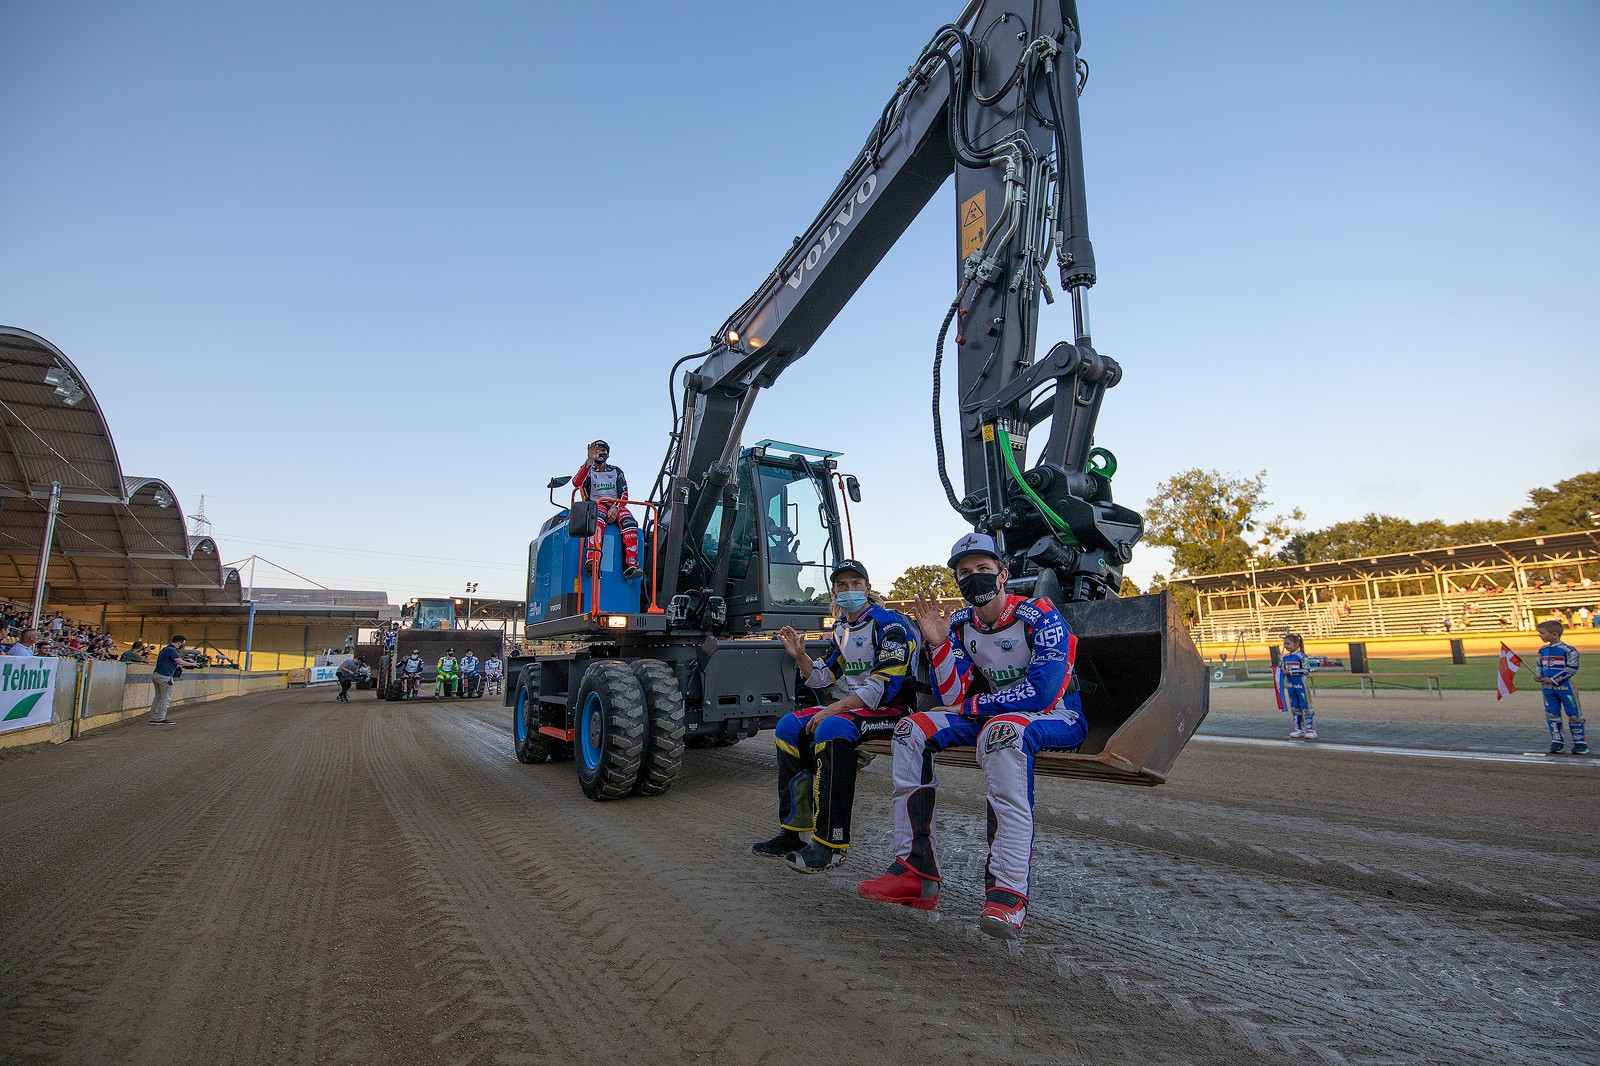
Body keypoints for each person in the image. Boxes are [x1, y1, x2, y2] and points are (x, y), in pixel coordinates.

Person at [858, 533, 1086, 941]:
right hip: (995, 715)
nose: (974, 578)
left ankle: (1007, 894)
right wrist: (941, 644)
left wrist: (971, 708)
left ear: (1004, 574)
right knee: (911, 728)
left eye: (983, 569)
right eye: (964, 573)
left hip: (1057, 716)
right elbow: (953, 697)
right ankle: (915, 871)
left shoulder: (1041, 615)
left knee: (1001, 733)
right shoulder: (960, 624)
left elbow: (1042, 691)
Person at [751, 560, 917, 874]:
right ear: (835, 591)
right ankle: (793, 832)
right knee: (789, 726)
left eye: (856, 583)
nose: (849, 590)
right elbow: (825, 676)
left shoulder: (889, 624)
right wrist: (801, 657)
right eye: (842, 585)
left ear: (868, 588)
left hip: (893, 711)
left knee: (831, 729)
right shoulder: (842, 628)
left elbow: (883, 685)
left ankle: (830, 845)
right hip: (857, 709)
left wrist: (835, 708)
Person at [574, 439, 642, 580]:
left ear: (608, 454)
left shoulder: (616, 471)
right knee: (596, 520)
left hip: (616, 505)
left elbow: (624, 493)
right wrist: (588, 461)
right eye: (597, 450)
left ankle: (630, 565)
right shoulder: (588, 471)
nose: (600, 453)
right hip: (595, 505)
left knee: (630, 523)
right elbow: (576, 482)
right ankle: (593, 560)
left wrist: (616, 508)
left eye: (603, 450)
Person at [1536, 621, 1585, 755]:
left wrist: (1553, 680)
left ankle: (1580, 742)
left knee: (1574, 714)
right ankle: (1557, 741)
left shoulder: (1569, 650)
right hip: (1548, 689)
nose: (1540, 636)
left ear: (1554, 634)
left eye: (1542, 633)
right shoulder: (1543, 650)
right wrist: (1539, 676)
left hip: (1566, 689)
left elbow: (1571, 669)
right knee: (1552, 714)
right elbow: (1540, 665)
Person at [1278, 633, 1317, 739]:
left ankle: (1310, 729)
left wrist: (1290, 672)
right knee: (1295, 707)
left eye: (1288, 644)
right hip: (1291, 686)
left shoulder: (1301, 656)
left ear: (1296, 644)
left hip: (1301, 685)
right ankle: (1298, 728)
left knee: (1306, 706)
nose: (1285, 646)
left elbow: (1306, 670)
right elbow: (1281, 669)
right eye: (1284, 644)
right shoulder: (1285, 657)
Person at [149, 635, 187, 726]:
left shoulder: (165, 649)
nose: (183, 646)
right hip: (165, 676)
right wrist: (192, 663)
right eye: (183, 644)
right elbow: (180, 662)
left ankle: (154, 718)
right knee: (165, 698)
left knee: (158, 697)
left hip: (157, 674)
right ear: (179, 642)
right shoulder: (172, 650)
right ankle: (161, 718)